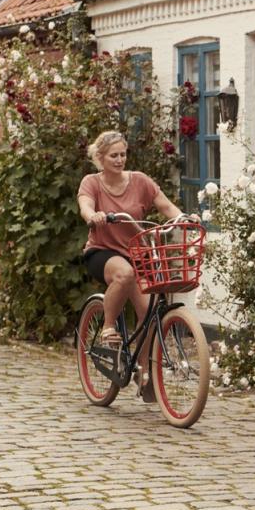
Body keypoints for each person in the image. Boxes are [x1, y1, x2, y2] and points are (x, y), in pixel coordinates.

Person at [77, 130, 186, 392]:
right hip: (102, 251)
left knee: (148, 312)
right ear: (100, 158)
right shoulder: (91, 182)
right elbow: (85, 205)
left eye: (123, 154)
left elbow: (166, 206)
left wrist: (183, 218)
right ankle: (108, 325)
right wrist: (94, 216)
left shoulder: (140, 181)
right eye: (113, 155)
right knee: (123, 274)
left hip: (138, 255)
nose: (119, 160)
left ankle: (143, 371)